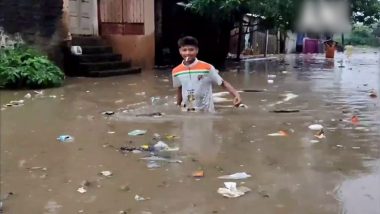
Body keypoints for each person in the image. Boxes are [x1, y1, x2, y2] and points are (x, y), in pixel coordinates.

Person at [172, 36, 241, 112]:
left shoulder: (207, 68)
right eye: (184, 50)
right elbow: (179, 88)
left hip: (207, 111)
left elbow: (222, 83)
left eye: (191, 50)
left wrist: (236, 95)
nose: (188, 53)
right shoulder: (176, 71)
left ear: (197, 50)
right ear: (180, 51)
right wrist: (178, 106)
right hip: (187, 111)